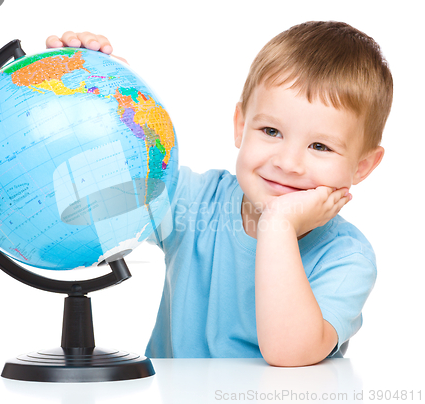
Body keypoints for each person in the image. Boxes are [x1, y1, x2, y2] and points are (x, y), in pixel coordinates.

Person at [46, 21, 392, 367]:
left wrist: (279, 225)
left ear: (362, 166)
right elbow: (87, 194)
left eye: (320, 146)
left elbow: (288, 354)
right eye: (271, 131)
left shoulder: (347, 258)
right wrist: (90, 94)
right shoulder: (194, 201)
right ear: (241, 125)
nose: (288, 163)